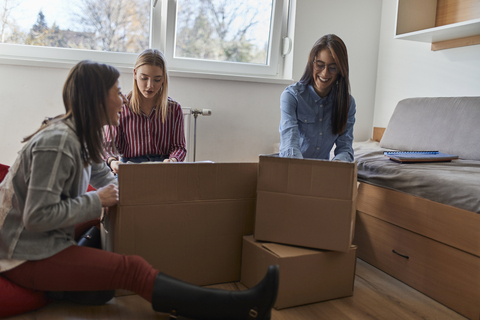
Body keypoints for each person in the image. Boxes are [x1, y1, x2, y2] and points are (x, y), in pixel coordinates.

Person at [0, 60, 279, 319]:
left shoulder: (82, 136)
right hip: (23, 254)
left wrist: (147, 203)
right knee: (131, 269)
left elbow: (107, 179)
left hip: (42, 241)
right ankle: (243, 307)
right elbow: (37, 217)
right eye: (117, 91)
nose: (123, 98)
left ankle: (75, 281)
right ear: (97, 99)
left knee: (101, 277)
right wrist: (96, 200)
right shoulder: (59, 141)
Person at [104, 49, 187, 174]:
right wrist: (112, 161)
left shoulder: (174, 109)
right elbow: (109, 146)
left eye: (157, 79)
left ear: (163, 78)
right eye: (144, 78)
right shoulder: (121, 107)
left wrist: (173, 160)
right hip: (130, 167)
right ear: (135, 74)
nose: (150, 86)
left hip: (163, 169)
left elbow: (179, 147)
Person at [279, 34, 356, 162]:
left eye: (332, 68)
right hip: (292, 166)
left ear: (340, 70)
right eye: (320, 65)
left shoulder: (347, 103)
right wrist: (301, 169)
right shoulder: (291, 96)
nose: (325, 73)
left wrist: (337, 165)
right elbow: (290, 143)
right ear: (311, 63)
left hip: (321, 171)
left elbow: (345, 148)